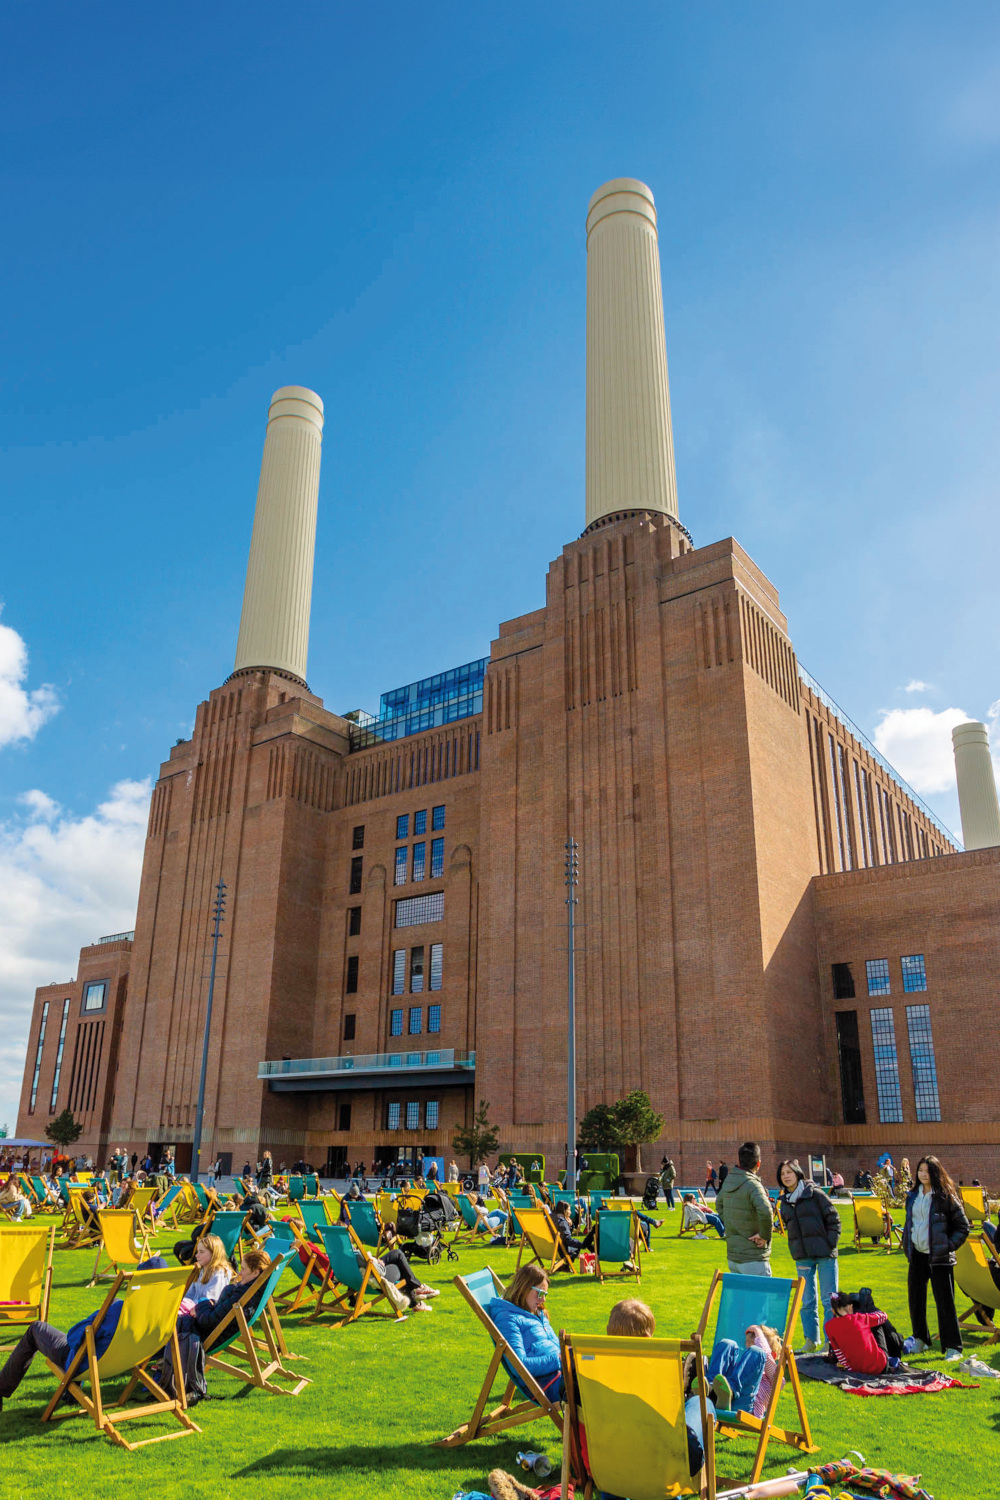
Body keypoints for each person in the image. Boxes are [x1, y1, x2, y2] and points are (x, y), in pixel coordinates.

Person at [0, 1255, 169, 1408]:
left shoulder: (117, 1310)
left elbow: (74, 1338)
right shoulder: (165, 1313)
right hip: (124, 1362)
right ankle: (71, 1391)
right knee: (91, 1340)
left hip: (86, 1364)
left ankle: (1, 1388)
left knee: (37, 1329)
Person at [902, 1155, 969, 1361]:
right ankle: (920, 1339)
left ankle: (953, 1348)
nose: (923, 1174)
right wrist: (907, 1244)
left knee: (945, 1303)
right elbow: (910, 1223)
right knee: (916, 1300)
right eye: (920, 1170)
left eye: (927, 1170)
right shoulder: (912, 1196)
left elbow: (963, 1226)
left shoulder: (945, 1196)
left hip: (939, 1258)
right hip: (917, 1256)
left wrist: (947, 1246)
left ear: (935, 1172)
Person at [776, 1159, 840, 1352]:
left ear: (797, 1173)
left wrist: (830, 1243)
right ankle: (811, 1340)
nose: (786, 1176)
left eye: (789, 1172)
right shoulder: (785, 1202)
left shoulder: (815, 1194)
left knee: (830, 1300)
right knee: (806, 1300)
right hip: (802, 1256)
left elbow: (834, 1218)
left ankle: (831, 1342)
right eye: (782, 1174)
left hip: (825, 1254)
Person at [487, 1265, 563, 1400]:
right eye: (540, 1293)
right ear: (524, 1288)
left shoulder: (536, 1312)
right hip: (546, 1383)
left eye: (545, 1294)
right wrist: (559, 1360)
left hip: (561, 1373)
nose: (543, 1299)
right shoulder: (508, 1319)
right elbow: (519, 1366)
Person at [697, 1323, 781, 1417]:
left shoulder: (775, 1378)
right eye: (747, 1346)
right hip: (720, 1400)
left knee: (757, 1352)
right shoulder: (740, 1371)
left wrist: (758, 1333)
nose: (747, 1350)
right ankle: (710, 1387)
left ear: (772, 1355)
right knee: (728, 1344)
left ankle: (731, 1391)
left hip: (744, 1407)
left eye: (753, 1345)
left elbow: (764, 1354)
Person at [716, 1142, 772, 1276]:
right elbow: (766, 1211)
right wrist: (764, 1235)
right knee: (761, 1296)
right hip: (753, 1255)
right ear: (758, 1163)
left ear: (739, 1160)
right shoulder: (753, 1185)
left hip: (733, 1255)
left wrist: (732, 1223)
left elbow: (719, 1204)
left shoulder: (729, 1181)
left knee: (741, 1296)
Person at [825, 1290, 903, 1375]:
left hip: (856, 1369)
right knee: (877, 1324)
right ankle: (899, 1343)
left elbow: (839, 1352)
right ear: (851, 1308)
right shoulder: (860, 1318)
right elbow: (883, 1316)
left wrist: (850, 1369)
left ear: (833, 1311)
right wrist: (871, 1309)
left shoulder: (829, 1327)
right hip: (880, 1366)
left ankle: (899, 1344)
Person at [179, 1234, 233, 1312]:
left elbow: (210, 1301)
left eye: (201, 1252)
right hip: (192, 1308)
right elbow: (189, 1294)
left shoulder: (219, 1273)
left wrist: (187, 1305)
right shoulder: (201, 1270)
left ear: (214, 1253)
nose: (197, 1256)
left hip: (203, 1312)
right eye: (197, 1252)